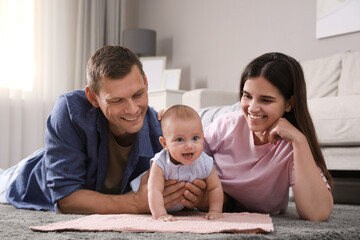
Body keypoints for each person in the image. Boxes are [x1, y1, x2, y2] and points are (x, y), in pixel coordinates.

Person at [0, 45, 205, 214]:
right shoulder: (70, 110)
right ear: (92, 97)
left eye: (137, 95)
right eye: (117, 100)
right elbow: (66, 199)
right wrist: (135, 203)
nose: (133, 109)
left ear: (146, 81)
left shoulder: (163, 133)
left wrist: (198, 197)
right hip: (29, 176)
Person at [202, 52, 334, 222]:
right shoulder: (224, 125)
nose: (252, 108)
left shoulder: (291, 147)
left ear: (289, 103)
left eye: (266, 100)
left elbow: (318, 213)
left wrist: (300, 141)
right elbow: (184, 161)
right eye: (247, 95)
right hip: (212, 200)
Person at [147, 105, 223, 221]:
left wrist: (215, 211)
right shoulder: (160, 163)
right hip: (151, 202)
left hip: (181, 207)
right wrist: (160, 214)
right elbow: (154, 190)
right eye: (179, 140)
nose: (189, 146)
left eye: (195, 138)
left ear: (203, 137)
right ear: (164, 144)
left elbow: (215, 187)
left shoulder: (205, 162)